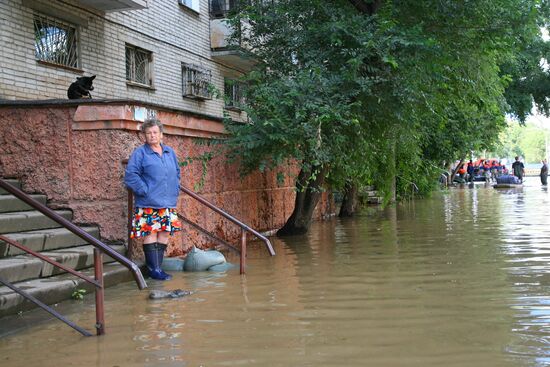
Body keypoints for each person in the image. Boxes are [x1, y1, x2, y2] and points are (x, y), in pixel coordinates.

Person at [124, 118, 182, 280]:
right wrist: (144, 190)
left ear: (161, 134)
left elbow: (177, 173)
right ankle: (153, 270)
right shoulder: (140, 153)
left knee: (164, 233)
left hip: (168, 202)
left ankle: (159, 268)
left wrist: (175, 188)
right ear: (144, 135)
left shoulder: (170, 152)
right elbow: (131, 175)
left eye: (155, 132)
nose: (152, 136)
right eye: (148, 133)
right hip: (148, 202)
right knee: (150, 233)